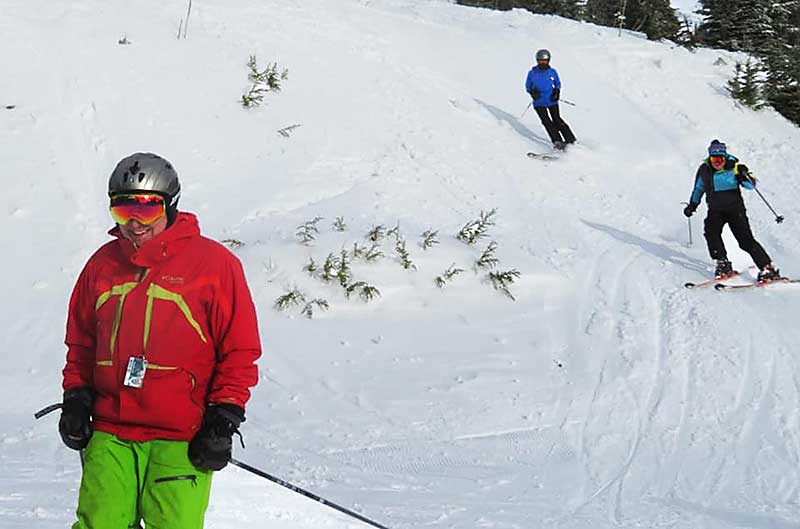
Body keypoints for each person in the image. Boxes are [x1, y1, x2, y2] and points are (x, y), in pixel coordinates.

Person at [58, 152, 262, 528]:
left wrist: (223, 417)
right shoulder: (101, 266)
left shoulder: (214, 265)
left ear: (171, 206)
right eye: (122, 210)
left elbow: (240, 350)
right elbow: (82, 344)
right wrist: (76, 396)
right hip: (111, 430)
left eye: (148, 210)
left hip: (180, 435)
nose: (134, 223)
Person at [683, 139, 780, 281]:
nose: (718, 162)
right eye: (714, 158)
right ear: (710, 157)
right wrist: (692, 205)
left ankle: (767, 268)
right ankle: (722, 263)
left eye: (720, 158)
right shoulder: (704, 169)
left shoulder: (735, 166)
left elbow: (750, 186)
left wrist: (743, 175)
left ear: (725, 157)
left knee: (745, 240)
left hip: (735, 210)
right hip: (715, 210)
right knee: (711, 231)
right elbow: (698, 189)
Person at [524, 48, 576, 150]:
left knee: (557, 119)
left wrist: (556, 92)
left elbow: (557, 83)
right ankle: (557, 141)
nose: (543, 63)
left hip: (551, 100)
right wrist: (533, 93)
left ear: (549, 60)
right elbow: (528, 86)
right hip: (539, 102)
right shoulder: (532, 73)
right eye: (541, 61)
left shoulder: (552, 72)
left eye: (545, 61)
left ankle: (570, 139)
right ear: (537, 60)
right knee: (546, 121)